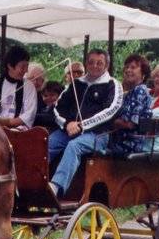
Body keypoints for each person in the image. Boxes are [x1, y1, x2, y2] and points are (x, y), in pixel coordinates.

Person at [48, 49, 123, 198]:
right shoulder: (76, 84)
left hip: (98, 134)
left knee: (74, 146)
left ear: (106, 66)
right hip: (68, 131)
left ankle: (55, 187)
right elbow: (57, 108)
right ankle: (33, 183)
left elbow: (111, 111)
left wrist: (81, 125)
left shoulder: (113, 85)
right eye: (91, 62)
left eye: (99, 63)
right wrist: (67, 124)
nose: (95, 66)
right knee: (47, 143)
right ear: (86, 64)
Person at [0, 45, 38, 130]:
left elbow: (29, 115)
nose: (26, 70)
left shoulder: (29, 87)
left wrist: (7, 123)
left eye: (27, 66)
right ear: (10, 66)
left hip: (19, 132)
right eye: (23, 66)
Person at [109, 54, 153, 154]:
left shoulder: (140, 91)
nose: (128, 70)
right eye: (127, 67)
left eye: (133, 67)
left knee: (86, 143)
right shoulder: (130, 92)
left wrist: (107, 122)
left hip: (127, 144)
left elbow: (130, 125)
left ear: (143, 74)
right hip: (121, 140)